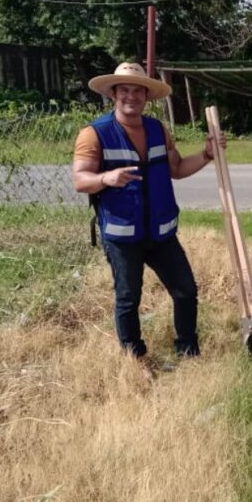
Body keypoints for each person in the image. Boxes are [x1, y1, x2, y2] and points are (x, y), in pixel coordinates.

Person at [72, 62, 223, 359]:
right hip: (122, 235)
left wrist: (207, 155)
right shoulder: (95, 134)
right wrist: (105, 179)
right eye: (124, 90)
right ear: (114, 94)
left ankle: (188, 350)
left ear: (146, 96)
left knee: (186, 291)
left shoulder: (157, 130)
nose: (131, 96)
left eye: (137, 91)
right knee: (129, 299)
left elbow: (176, 169)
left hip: (161, 232)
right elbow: (80, 180)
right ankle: (135, 357)